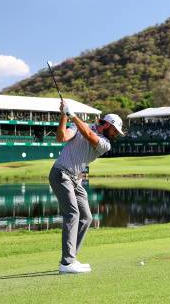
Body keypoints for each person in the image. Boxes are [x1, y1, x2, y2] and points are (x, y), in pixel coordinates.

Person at [49, 100, 124, 274]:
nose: (116, 134)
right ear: (107, 125)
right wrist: (64, 115)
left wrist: (72, 115)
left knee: (87, 217)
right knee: (72, 213)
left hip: (75, 179)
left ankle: (70, 257)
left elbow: (90, 135)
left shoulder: (106, 143)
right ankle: (67, 263)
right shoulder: (81, 126)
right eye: (114, 130)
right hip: (61, 173)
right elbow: (61, 137)